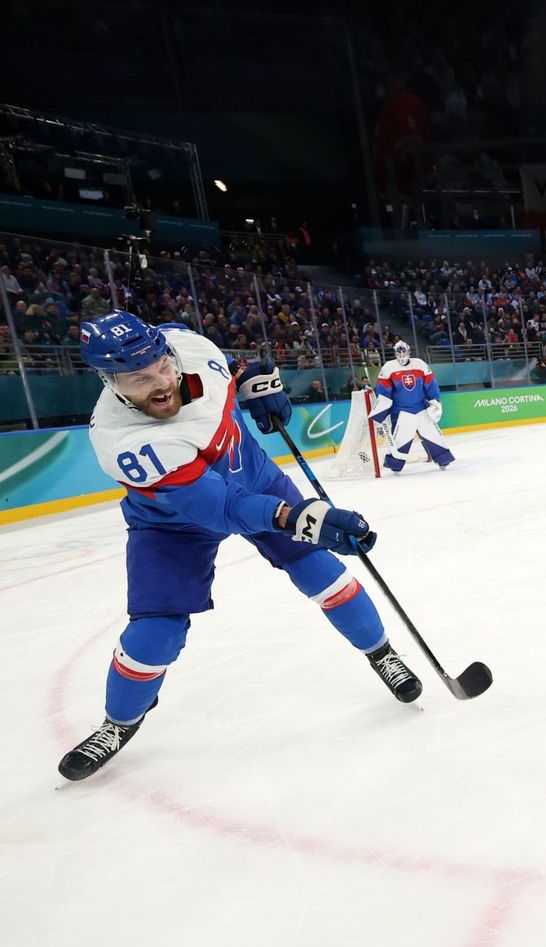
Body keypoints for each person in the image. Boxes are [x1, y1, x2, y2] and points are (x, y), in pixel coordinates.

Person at [60, 313, 421, 782]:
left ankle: (382, 653)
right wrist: (300, 518)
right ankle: (119, 723)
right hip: (173, 524)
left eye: (162, 367)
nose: (161, 383)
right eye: (140, 380)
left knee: (321, 572)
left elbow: (230, 368)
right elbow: (222, 506)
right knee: (158, 632)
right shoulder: (122, 441)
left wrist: (254, 381)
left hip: (256, 478)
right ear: (111, 384)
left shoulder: (191, 348)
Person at [372, 340, 454, 473]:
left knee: (433, 435)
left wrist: (434, 400)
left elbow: (431, 383)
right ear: (395, 353)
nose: (402, 354)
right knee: (400, 440)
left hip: (421, 409)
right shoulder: (388, 367)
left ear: (409, 352)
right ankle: (395, 465)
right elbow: (384, 391)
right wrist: (381, 411)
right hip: (401, 412)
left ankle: (443, 459)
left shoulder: (420, 364)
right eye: (399, 352)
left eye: (404, 351)